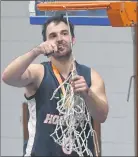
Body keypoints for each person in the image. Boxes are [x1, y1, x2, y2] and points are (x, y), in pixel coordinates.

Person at [2, 15, 109, 156]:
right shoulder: (38, 72)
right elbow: (8, 77)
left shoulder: (90, 75)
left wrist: (87, 93)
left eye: (64, 33)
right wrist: (36, 51)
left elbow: (102, 116)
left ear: (73, 39)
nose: (59, 39)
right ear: (46, 42)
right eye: (53, 35)